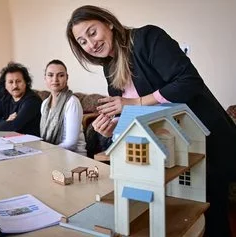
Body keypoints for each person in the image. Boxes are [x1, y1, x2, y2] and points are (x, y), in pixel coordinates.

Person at [66, 5, 236, 236]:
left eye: (92, 32)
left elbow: (188, 81)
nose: (90, 43)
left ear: (109, 23)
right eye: (82, 41)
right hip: (166, 152)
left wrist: (134, 104)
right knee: (177, 219)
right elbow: (135, 118)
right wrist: (113, 129)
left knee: (211, 214)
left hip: (203, 140)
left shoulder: (147, 38)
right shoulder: (110, 67)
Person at [0, 62, 42, 136]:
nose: (15, 85)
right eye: (10, 82)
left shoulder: (32, 100)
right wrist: (6, 121)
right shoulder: (7, 98)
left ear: (26, 82)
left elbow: (14, 125)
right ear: (5, 85)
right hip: (11, 139)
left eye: (18, 81)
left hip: (31, 143)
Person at [40, 59, 86, 156]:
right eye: (50, 75)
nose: (55, 79)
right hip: (51, 153)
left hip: (73, 155)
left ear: (67, 77)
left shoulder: (72, 102)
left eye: (60, 75)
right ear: (45, 78)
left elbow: (71, 143)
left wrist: (46, 151)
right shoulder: (44, 104)